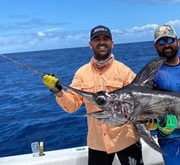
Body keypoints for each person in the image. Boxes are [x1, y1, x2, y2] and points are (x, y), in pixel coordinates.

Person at [42, 25, 144, 165]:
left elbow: (141, 100)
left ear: (112, 43)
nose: (101, 42)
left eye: (105, 38)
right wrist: (58, 91)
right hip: (98, 144)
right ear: (90, 44)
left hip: (126, 139)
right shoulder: (82, 73)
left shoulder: (124, 71)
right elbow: (72, 106)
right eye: (97, 39)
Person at [146, 24, 180, 165]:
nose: (166, 45)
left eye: (170, 40)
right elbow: (148, 112)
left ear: (178, 41)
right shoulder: (151, 74)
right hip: (173, 143)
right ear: (155, 47)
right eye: (161, 42)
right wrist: (161, 129)